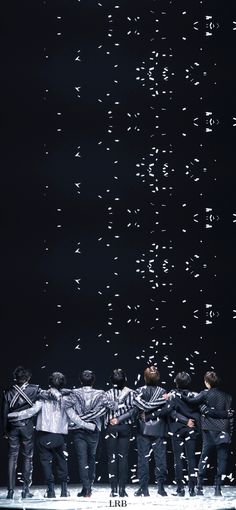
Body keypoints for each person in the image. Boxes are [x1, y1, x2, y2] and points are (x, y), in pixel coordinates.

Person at [7, 372, 95, 499]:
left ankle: (50, 490)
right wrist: (88, 425)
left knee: (46, 462)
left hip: (44, 436)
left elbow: (30, 412)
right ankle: (64, 491)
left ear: (49, 383)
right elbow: (73, 418)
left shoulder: (42, 398)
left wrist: (14, 416)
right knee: (62, 462)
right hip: (59, 437)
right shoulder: (66, 400)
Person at [63, 369, 115, 498]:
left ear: (81, 381)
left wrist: (65, 392)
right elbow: (113, 406)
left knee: (82, 459)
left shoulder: (74, 393)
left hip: (78, 428)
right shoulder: (101, 394)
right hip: (93, 429)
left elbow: (64, 404)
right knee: (91, 458)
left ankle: (86, 488)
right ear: (93, 381)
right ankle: (88, 488)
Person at [182, 371, 234, 497]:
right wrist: (231, 433)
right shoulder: (228, 397)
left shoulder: (205, 394)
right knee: (222, 459)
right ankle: (218, 488)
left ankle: (199, 487)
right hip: (224, 430)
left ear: (206, 382)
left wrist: (183, 394)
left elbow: (191, 401)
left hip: (209, 430)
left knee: (204, 457)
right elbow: (231, 416)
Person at [2, 366, 42, 499]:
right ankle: (25, 489)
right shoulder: (35, 389)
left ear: (16, 377)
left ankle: (10, 490)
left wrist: (4, 430)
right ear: (28, 378)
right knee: (27, 457)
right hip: (27, 427)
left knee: (12, 457)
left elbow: (4, 413)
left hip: (12, 427)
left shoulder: (7, 391)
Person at [132, 366, 169, 497]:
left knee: (143, 458)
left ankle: (143, 488)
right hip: (159, 429)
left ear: (144, 378)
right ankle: (161, 487)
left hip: (143, 429)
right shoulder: (163, 392)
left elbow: (136, 410)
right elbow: (165, 410)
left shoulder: (138, 391)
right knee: (160, 458)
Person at [104, 368, 136, 497]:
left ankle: (113, 490)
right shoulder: (132, 393)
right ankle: (122, 489)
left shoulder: (106, 394)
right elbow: (134, 411)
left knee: (112, 457)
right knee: (123, 458)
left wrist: (113, 420)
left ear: (111, 381)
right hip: (125, 427)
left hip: (111, 428)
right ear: (125, 380)